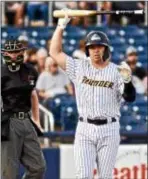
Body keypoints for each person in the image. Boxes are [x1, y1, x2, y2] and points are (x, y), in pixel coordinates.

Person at [50, 10, 136, 179]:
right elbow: (54, 52)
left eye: (99, 46)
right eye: (92, 47)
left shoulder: (117, 71)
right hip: (85, 127)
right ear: (87, 50)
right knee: (83, 176)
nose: (96, 50)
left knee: (105, 176)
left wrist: (127, 81)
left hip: (109, 128)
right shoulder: (79, 67)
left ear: (106, 48)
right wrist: (60, 26)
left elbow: (130, 98)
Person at [1, 39, 46, 179]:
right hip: (8, 122)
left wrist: (36, 119)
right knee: (8, 173)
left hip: (26, 120)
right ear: (5, 53)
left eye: (16, 51)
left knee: (38, 167)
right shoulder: (1, 72)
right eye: (10, 52)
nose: (13, 55)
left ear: (22, 52)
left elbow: (32, 94)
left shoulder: (31, 71)